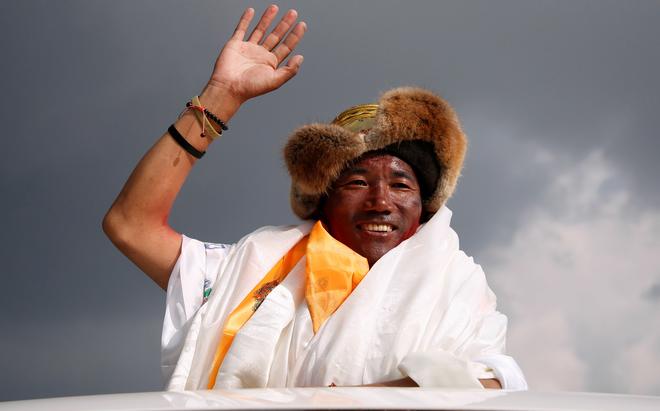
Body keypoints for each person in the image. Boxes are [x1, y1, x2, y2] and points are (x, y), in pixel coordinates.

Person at [103, 5, 527, 391]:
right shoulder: (251, 272)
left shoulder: (456, 284)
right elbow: (130, 226)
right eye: (357, 182)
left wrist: (347, 403)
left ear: (424, 206)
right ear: (324, 199)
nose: (381, 201)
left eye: (401, 185)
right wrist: (221, 97)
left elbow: (491, 382)